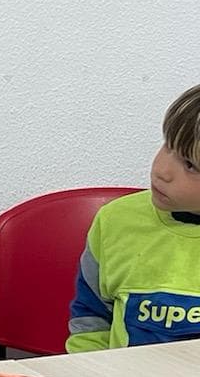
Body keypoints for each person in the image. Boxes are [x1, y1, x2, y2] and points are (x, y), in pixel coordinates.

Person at [69, 85, 200, 350]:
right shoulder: (116, 221)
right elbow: (91, 316)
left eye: (190, 165)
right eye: (167, 145)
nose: (162, 170)